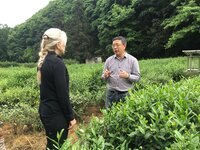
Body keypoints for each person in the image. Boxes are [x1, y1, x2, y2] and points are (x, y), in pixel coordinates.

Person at [37, 28, 76, 149]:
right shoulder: (57, 63)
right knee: (58, 145)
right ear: (59, 44)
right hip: (56, 114)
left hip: (46, 111)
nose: (65, 46)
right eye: (65, 43)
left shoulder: (44, 61)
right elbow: (62, 94)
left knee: (52, 144)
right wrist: (71, 117)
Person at [102, 36, 140, 108]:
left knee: (125, 116)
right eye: (113, 45)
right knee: (109, 115)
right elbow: (103, 76)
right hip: (111, 94)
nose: (115, 47)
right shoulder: (109, 60)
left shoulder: (133, 60)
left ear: (124, 46)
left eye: (117, 45)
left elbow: (137, 78)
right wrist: (105, 75)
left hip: (126, 94)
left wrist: (128, 76)